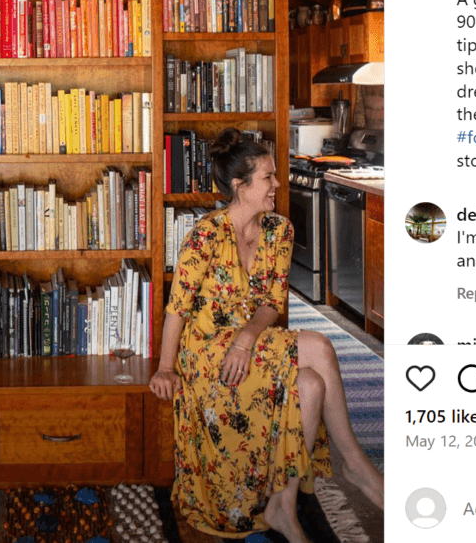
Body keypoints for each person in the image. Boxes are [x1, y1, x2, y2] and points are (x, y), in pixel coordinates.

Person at [150, 129, 384, 541]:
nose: (278, 184)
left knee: (311, 385)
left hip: (250, 343)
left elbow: (271, 304)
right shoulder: (205, 236)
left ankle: (283, 505)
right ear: (240, 187)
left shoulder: (279, 231)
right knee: (321, 346)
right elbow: (177, 309)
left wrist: (246, 338)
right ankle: (354, 463)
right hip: (207, 355)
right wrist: (166, 368)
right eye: (268, 178)